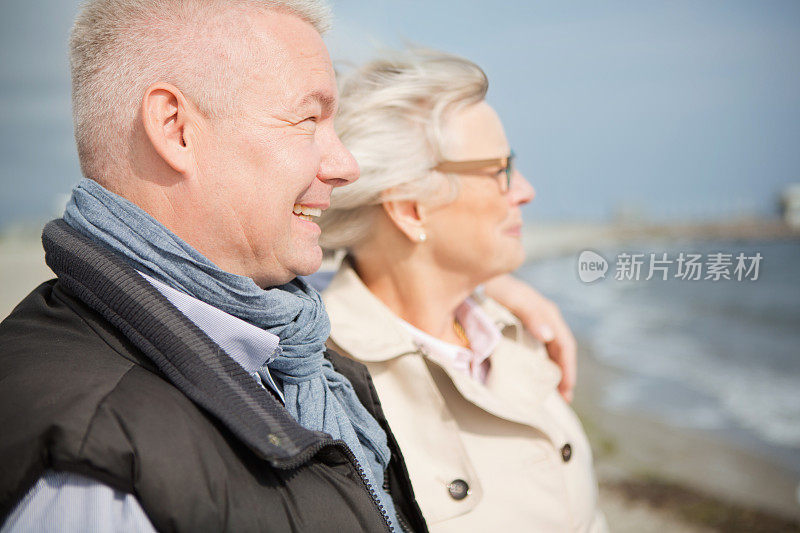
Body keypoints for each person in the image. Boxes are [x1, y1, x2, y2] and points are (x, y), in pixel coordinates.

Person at [0, 1, 427, 531]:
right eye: (308, 118)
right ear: (176, 128)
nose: (345, 166)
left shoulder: (298, 361)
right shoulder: (93, 462)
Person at [319, 49, 607, 532]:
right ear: (411, 208)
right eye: (499, 170)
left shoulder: (512, 329)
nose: (525, 190)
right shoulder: (330, 382)